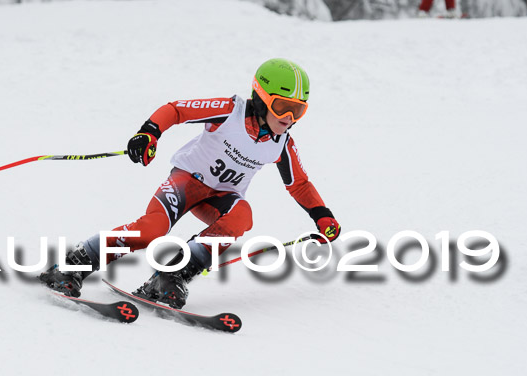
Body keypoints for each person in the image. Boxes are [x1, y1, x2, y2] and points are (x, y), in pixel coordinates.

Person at [39, 58, 341, 308]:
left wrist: (322, 215)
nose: (289, 118)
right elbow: (176, 110)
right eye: (282, 107)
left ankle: (173, 275)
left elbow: (299, 184)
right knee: (152, 231)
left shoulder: (281, 144)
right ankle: (74, 263)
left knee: (242, 216)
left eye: (298, 110)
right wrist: (149, 133)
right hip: (186, 183)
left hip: (220, 198)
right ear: (261, 98)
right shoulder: (230, 111)